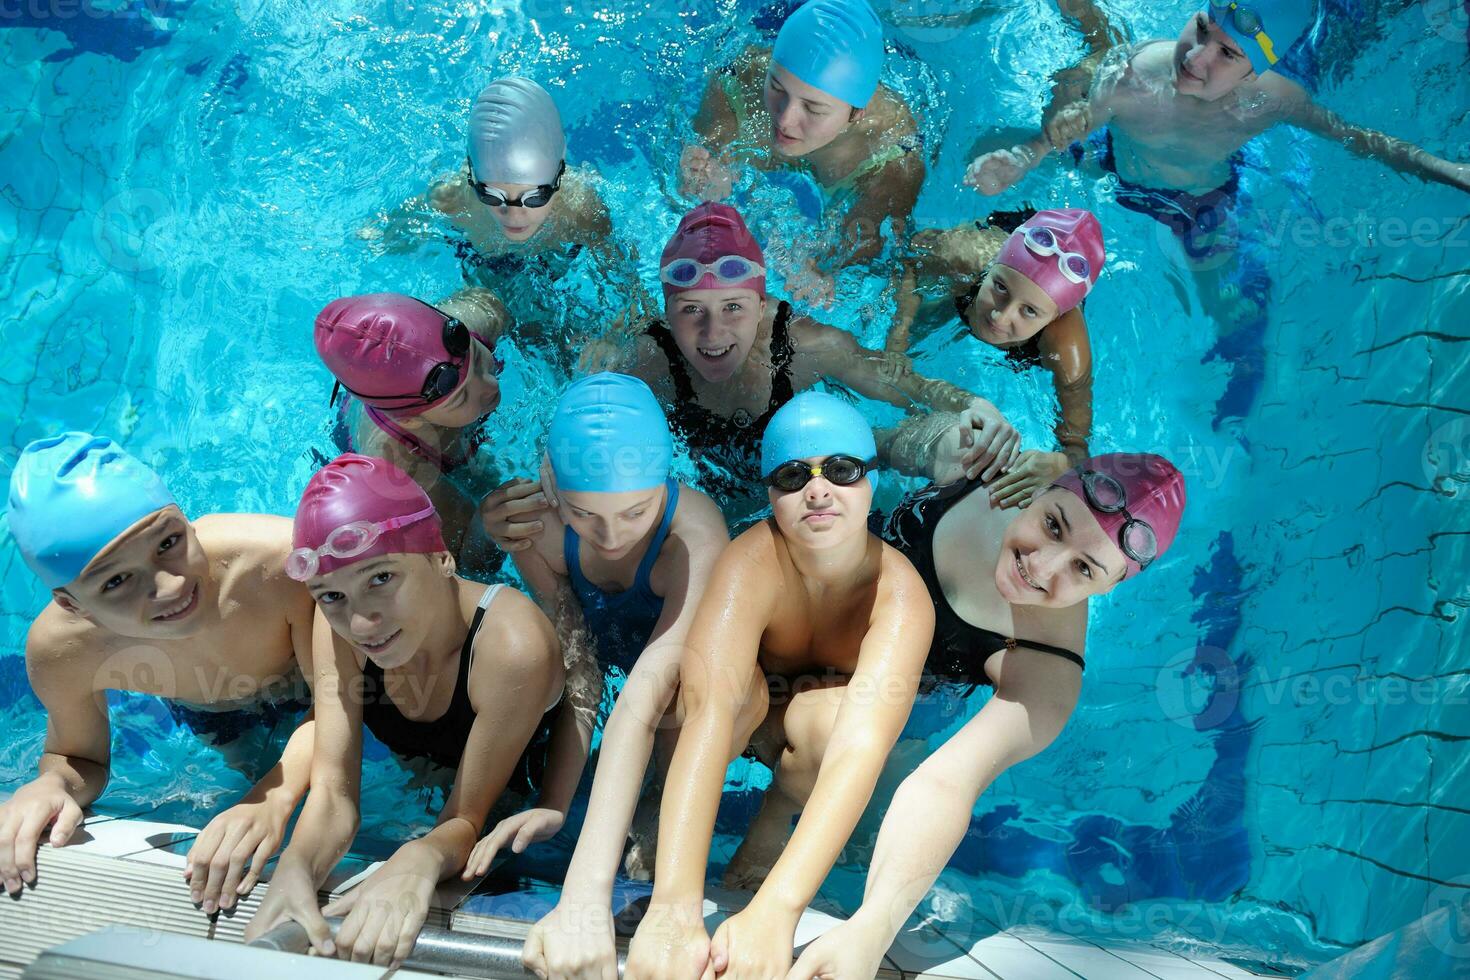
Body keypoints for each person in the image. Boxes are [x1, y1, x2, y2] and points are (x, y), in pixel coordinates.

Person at [966, 0, 1470, 422]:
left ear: (1257, 69)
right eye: (1202, 29)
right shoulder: (1134, 75)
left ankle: (1239, 393)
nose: (1197, 57)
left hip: (1197, 205)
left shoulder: (1273, 100)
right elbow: (1050, 138)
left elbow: (1362, 141)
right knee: (988, 142)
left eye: (1227, 53)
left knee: (1239, 308)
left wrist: (1447, 170)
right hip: (1112, 159)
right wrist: (1019, 158)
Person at [788, 451, 1188, 979]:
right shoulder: (987, 464)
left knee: (825, 744)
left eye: (1084, 569)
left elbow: (946, 784)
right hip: (810, 597)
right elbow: (863, 453)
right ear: (1046, 490)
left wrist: (870, 929)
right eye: (1052, 524)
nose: (1040, 567)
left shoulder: (1048, 674)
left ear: (1109, 588)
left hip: (887, 692)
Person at [622, 392, 936, 980]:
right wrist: (674, 908)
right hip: (746, 711)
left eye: (841, 470)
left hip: (810, 731)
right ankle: (661, 802)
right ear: (770, 494)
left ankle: (773, 817)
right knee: (696, 690)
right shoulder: (752, 562)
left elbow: (857, 751)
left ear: (872, 482)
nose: (818, 490)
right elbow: (709, 714)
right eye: (794, 476)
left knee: (852, 728)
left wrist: (776, 911)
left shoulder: (901, 595)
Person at [242, 454, 584, 966]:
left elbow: (470, 819)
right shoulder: (335, 625)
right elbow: (335, 792)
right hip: (427, 767)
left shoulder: (512, 647)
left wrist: (420, 856)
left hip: (521, 783)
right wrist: (296, 865)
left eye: (381, 578)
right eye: (332, 594)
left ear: (441, 557)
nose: (361, 623)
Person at [463, 375, 730, 980]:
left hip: (672, 680)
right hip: (601, 647)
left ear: (665, 482)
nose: (610, 536)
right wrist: (556, 803)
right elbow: (578, 659)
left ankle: (659, 797)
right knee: (537, 667)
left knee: (686, 696)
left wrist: (584, 896)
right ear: (552, 483)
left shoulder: (695, 534)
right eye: (585, 513)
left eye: (635, 511)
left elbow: (642, 697)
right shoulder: (540, 527)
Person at [0, 433, 316, 919]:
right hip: (206, 710)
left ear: (185, 518)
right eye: (117, 581)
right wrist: (52, 786)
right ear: (72, 604)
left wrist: (272, 799)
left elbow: (339, 706)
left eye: (168, 542)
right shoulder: (63, 650)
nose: (170, 586)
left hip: (307, 683)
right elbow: (77, 755)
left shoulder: (278, 564)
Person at [572, 202, 1019, 520]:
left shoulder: (804, 345)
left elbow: (903, 385)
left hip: (809, 482)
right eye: (692, 310)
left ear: (761, 303)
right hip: (708, 499)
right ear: (668, 313)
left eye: (733, 308)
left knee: (909, 443)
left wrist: (971, 405)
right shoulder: (649, 359)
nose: (713, 334)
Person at [680, 0, 924, 306]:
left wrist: (824, 269)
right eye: (777, 87)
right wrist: (699, 177)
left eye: (813, 108)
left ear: (856, 113)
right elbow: (691, 183)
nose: (784, 119)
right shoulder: (739, 83)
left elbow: (866, 251)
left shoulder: (892, 154)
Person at [367, 77, 647, 326]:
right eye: (491, 195)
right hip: (485, 270)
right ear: (473, 179)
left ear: (559, 178)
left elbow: (627, 285)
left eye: (535, 197)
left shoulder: (580, 210)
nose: (513, 215)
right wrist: (380, 235)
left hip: (551, 266)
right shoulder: (454, 198)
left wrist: (622, 325)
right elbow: (401, 226)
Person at [886, 208, 1107, 508]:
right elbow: (913, 259)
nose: (1000, 317)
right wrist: (897, 339)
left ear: (1055, 316)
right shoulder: (965, 255)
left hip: (1032, 319)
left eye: (1029, 311)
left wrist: (1060, 464)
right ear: (991, 270)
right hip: (980, 268)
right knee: (921, 327)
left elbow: (1078, 447)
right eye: (1000, 287)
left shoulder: (1066, 347)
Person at [315, 289, 510, 561]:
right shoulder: (401, 466)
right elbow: (462, 560)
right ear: (410, 419)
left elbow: (512, 297)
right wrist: (487, 526)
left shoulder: (468, 318)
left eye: (478, 361)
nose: (491, 386)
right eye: (461, 398)